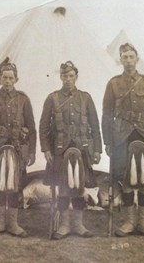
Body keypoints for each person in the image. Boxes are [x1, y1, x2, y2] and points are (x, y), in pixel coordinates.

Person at [102, 43, 144, 238]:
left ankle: (143, 221)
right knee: (127, 179)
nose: (128, 60)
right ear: (120, 60)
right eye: (125, 57)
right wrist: (107, 141)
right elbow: (106, 115)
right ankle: (130, 221)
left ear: (137, 59)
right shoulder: (113, 83)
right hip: (122, 136)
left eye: (131, 57)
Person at [39, 61, 102, 239]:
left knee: (80, 187)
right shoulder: (52, 98)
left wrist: (97, 149)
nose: (68, 79)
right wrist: (46, 149)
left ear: (76, 77)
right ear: (60, 77)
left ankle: (79, 225)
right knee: (64, 188)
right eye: (65, 76)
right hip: (59, 150)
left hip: (82, 150)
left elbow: (95, 125)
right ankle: (64, 225)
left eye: (71, 76)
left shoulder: (85, 97)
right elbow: (43, 126)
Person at [0, 63, 36, 238]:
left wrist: (32, 152)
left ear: (16, 79)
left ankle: (13, 223)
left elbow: (31, 126)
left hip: (17, 149)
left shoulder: (23, 99)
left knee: (14, 185)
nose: (8, 81)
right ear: (0, 79)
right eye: (4, 77)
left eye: (11, 78)